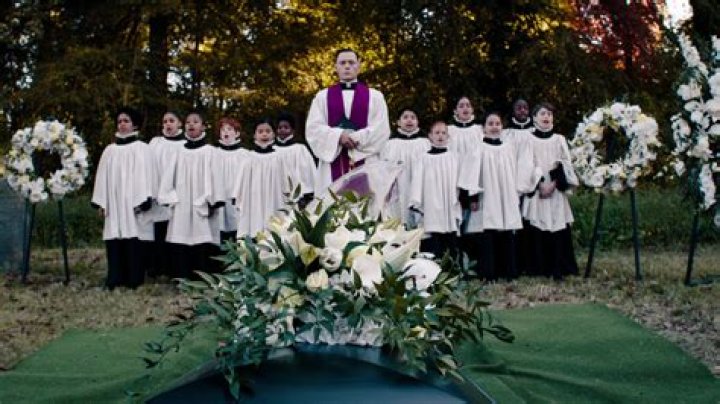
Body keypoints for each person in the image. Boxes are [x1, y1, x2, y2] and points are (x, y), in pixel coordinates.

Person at [458, 112, 536, 281]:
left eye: (498, 124)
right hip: (486, 197)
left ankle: (508, 271)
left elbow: (518, 170)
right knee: (488, 232)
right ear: (484, 128)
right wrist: (472, 198)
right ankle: (488, 272)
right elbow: (470, 174)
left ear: (502, 127)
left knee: (507, 230)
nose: (494, 127)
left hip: (506, 196)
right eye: (490, 124)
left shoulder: (509, 148)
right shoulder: (478, 148)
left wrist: (518, 192)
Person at [305, 48, 390, 193]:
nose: (347, 66)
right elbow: (313, 129)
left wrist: (355, 138)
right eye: (342, 63)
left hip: (367, 162)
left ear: (359, 65)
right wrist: (339, 136)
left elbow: (381, 129)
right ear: (335, 67)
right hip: (332, 165)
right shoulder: (322, 97)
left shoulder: (375, 97)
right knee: (332, 202)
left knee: (366, 202)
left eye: (351, 62)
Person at [92, 107, 154, 289]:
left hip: (133, 201)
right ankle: (115, 277)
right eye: (119, 121)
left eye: (126, 121)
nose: (122, 124)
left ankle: (134, 278)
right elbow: (102, 176)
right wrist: (101, 202)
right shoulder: (110, 150)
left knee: (134, 235)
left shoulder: (142, 149)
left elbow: (149, 174)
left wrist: (145, 199)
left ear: (134, 125)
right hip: (114, 201)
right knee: (114, 235)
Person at [158, 111, 225, 278]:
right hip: (181, 201)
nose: (191, 125)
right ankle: (182, 275)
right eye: (188, 122)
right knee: (181, 236)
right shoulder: (179, 151)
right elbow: (168, 177)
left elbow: (217, 176)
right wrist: (169, 196)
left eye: (195, 121)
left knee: (202, 237)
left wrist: (214, 200)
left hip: (202, 202)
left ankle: (201, 276)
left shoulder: (210, 152)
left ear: (203, 126)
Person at [518, 103, 579, 279]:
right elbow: (525, 165)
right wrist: (539, 185)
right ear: (534, 118)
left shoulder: (559, 139)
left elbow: (566, 163)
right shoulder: (528, 140)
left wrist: (554, 183)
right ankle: (538, 267)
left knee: (557, 224)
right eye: (543, 113)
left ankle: (559, 266)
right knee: (538, 224)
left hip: (555, 190)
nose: (547, 117)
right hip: (537, 189)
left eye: (550, 114)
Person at [234, 118, 296, 238]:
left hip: (274, 199)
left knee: (275, 230)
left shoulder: (279, 157)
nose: (264, 134)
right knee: (253, 228)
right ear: (254, 135)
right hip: (253, 200)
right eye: (260, 131)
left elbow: (288, 181)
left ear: (273, 134)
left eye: (268, 131)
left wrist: (290, 196)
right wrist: (238, 196)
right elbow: (240, 183)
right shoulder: (248, 158)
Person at [408, 121, 461, 260]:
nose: (440, 136)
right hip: (430, 204)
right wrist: (416, 201)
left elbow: (459, 180)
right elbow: (417, 181)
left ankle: (452, 267)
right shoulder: (423, 158)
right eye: (437, 133)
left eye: (443, 133)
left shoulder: (454, 157)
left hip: (449, 204)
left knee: (450, 241)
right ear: (430, 136)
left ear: (448, 136)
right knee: (434, 242)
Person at [147, 110, 186, 278]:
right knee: (158, 230)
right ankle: (157, 267)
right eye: (165, 121)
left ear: (179, 123)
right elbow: (148, 167)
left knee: (176, 232)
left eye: (171, 121)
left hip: (179, 195)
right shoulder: (155, 143)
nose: (168, 124)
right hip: (158, 194)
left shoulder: (185, 145)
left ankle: (174, 268)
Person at [379, 107, 430, 226]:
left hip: (419, 188)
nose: (409, 120)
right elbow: (384, 170)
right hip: (398, 188)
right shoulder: (390, 145)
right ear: (398, 122)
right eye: (405, 117)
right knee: (398, 217)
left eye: (413, 117)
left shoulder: (425, 143)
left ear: (418, 122)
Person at [214, 117, 248, 243]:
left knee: (237, 228)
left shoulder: (244, 155)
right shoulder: (214, 154)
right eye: (223, 130)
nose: (226, 132)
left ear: (237, 133)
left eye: (229, 129)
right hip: (220, 198)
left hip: (237, 198)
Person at [273, 111, 316, 207]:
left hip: (296, 194)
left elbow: (306, 172)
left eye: (286, 127)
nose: (282, 130)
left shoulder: (299, 149)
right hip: (276, 192)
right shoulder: (272, 150)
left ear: (292, 130)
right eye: (280, 127)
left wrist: (306, 192)